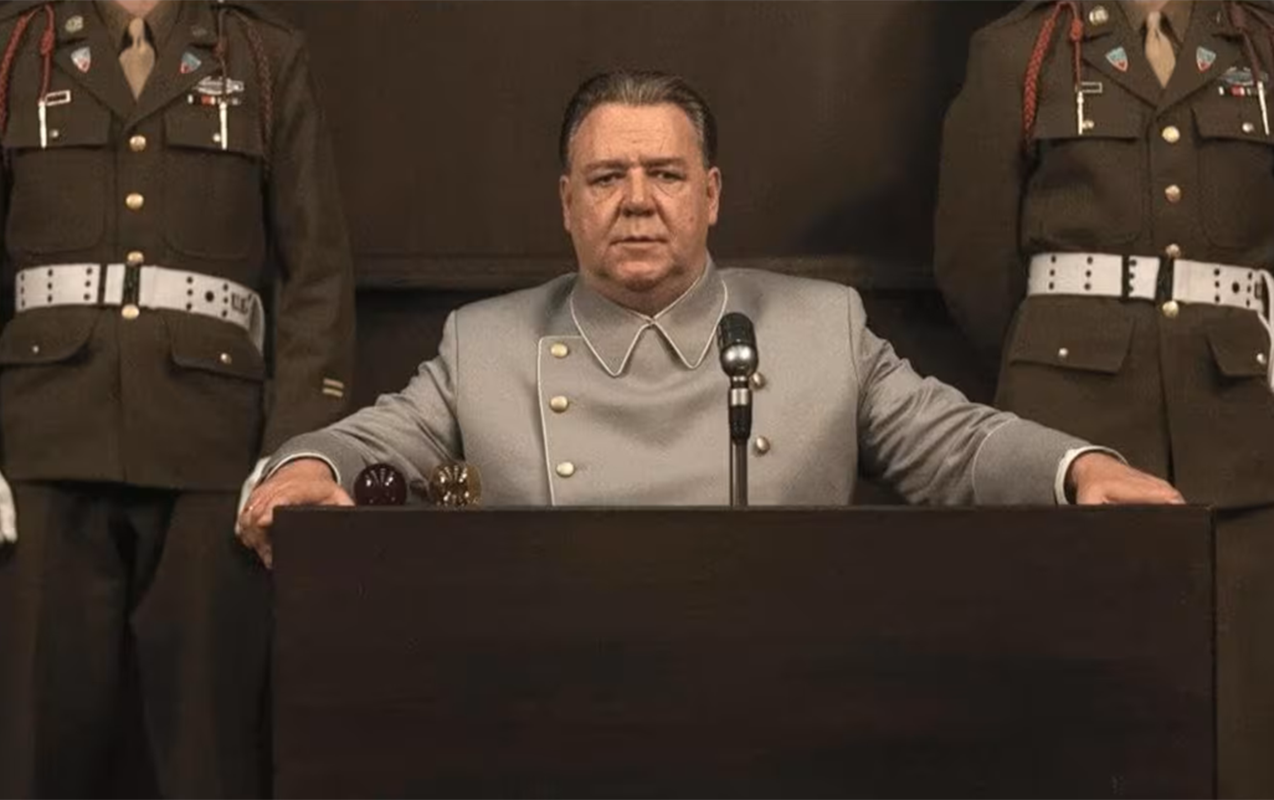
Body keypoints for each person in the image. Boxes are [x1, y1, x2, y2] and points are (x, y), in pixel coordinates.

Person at [237, 69, 1181, 564]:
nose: (637, 202)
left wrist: (1077, 469)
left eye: (666, 174)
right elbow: (377, 440)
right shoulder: (484, 344)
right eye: (606, 178)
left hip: (783, 689)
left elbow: (956, 444)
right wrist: (306, 469)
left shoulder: (821, 328)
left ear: (712, 194)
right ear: (566, 203)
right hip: (555, 696)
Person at [0, 0, 355, 796]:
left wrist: (293, 450)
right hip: (39, 451)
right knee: (26, 753)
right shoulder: (17, 48)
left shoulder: (262, 56)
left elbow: (316, 275)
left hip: (213, 457)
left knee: (210, 756)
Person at [934, 1, 1274, 797]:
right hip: (1071, 421)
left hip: (1242, 431)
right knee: (1080, 701)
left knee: (1246, 717)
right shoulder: (1019, 52)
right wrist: (1058, 360)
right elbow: (972, 262)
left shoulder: (1260, 45)